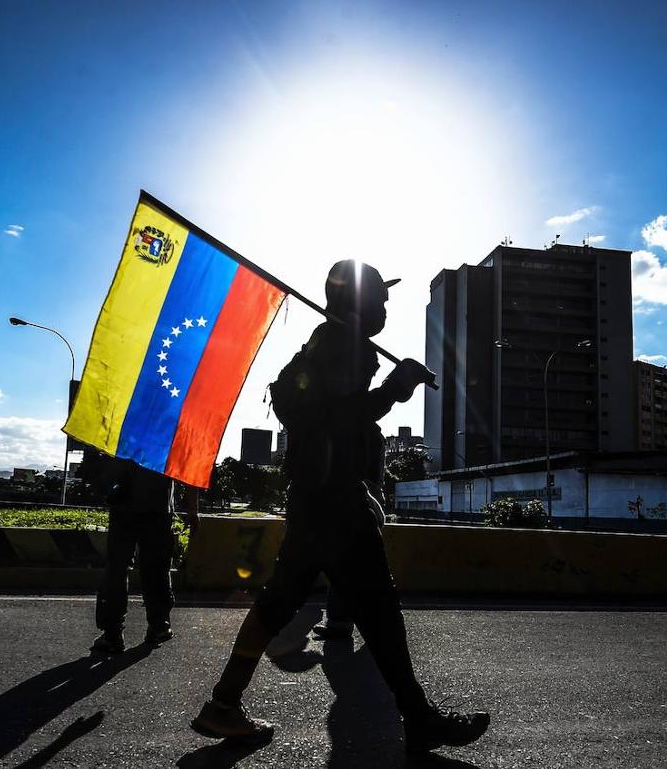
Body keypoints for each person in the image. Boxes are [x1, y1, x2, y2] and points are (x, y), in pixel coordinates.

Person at [190, 260, 490, 755]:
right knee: (378, 607)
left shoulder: (328, 342)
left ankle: (223, 703)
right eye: (381, 299)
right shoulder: (344, 346)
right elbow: (334, 420)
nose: (387, 308)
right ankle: (418, 718)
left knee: (282, 601)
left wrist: (390, 386)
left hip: (315, 496)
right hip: (334, 500)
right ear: (358, 301)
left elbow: (323, 414)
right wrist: (395, 389)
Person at [91, 458, 198, 654]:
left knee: (117, 569)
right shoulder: (172, 436)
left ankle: (112, 634)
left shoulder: (129, 431)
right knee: (156, 569)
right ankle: (159, 625)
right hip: (158, 511)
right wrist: (192, 509)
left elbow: (108, 466)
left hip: (124, 509)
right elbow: (189, 469)